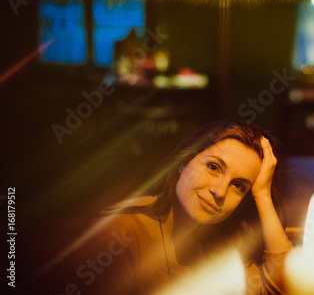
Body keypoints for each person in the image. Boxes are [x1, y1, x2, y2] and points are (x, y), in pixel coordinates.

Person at [64, 120, 293, 295]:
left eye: (239, 186)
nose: (220, 191)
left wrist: (262, 194)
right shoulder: (119, 234)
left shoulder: (221, 236)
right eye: (213, 167)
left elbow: (284, 288)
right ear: (184, 162)